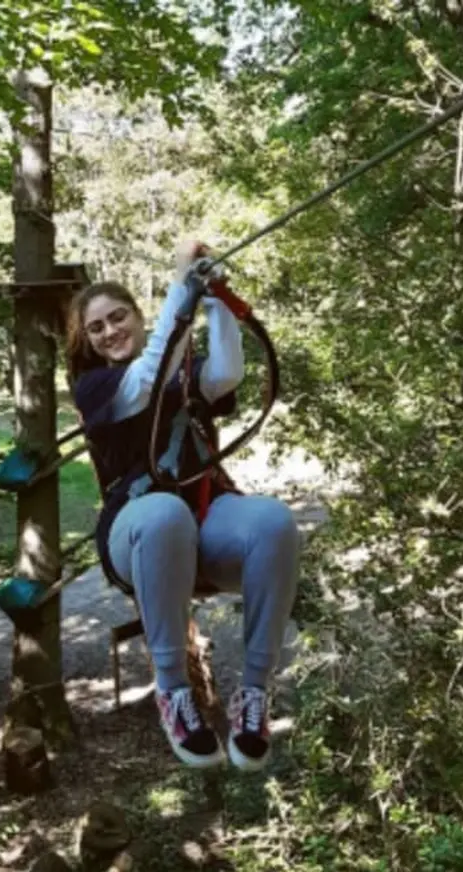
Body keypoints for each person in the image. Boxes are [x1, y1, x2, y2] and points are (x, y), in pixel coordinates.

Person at [66, 239, 301, 772]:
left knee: (273, 520)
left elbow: (225, 375)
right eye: (96, 328)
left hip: (203, 524)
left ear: (137, 315)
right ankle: (173, 692)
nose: (109, 331)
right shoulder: (97, 387)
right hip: (137, 534)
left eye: (117, 317)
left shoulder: (179, 371)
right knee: (163, 514)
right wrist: (182, 285)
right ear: (87, 343)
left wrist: (214, 298)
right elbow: (147, 381)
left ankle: (254, 693)